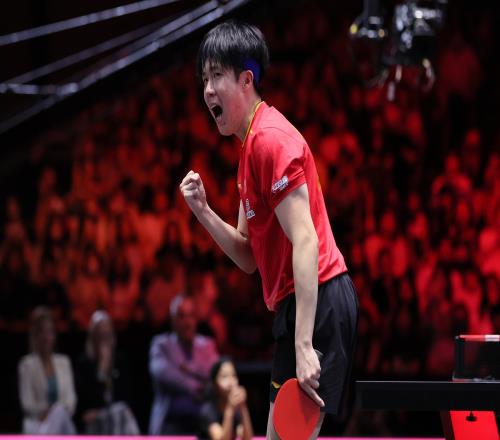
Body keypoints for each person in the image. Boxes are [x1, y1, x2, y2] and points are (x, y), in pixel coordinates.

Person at [180, 20, 358, 439]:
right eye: (204, 79)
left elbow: (306, 239)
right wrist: (203, 211)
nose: (208, 90)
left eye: (217, 76)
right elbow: (247, 255)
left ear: (247, 80)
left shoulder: (271, 140)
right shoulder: (249, 151)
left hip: (318, 298)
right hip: (297, 306)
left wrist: (303, 344)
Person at [149, 293, 219, 435]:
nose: (187, 322)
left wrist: (190, 368)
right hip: (171, 422)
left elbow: (216, 373)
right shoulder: (161, 345)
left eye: (191, 315)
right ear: (172, 320)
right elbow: (164, 375)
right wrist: (196, 387)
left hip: (204, 419)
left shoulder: (207, 345)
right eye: (181, 316)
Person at [74, 310, 140, 434]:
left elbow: (126, 397)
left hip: (117, 416)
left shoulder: (120, 361)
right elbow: (86, 401)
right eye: (100, 335)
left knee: (121, 412)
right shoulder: (84, 364)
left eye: (107, 335)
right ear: (93, 337)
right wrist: (101, 370)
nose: (104, 340)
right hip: (95, 421)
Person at [18, 306, 77, 434]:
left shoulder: (64, 362)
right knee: (58, 412)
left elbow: (71, 400)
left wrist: (56, 413)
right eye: (41, 332)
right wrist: (47, 413)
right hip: (38, 424)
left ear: (54, 335)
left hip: (63, 421)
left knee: (60, 412)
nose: (46, 337)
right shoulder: (26, 365)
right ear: (35, 336)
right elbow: (27, 403)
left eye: (49, 332)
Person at [198, 357, 253, 440]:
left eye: (233, 375)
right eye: (224, 377)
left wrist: (243, 407)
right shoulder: (208, 411)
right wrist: (230, 408)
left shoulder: (236, 411)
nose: (231, 382)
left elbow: (247, 438)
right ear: (214, 383)